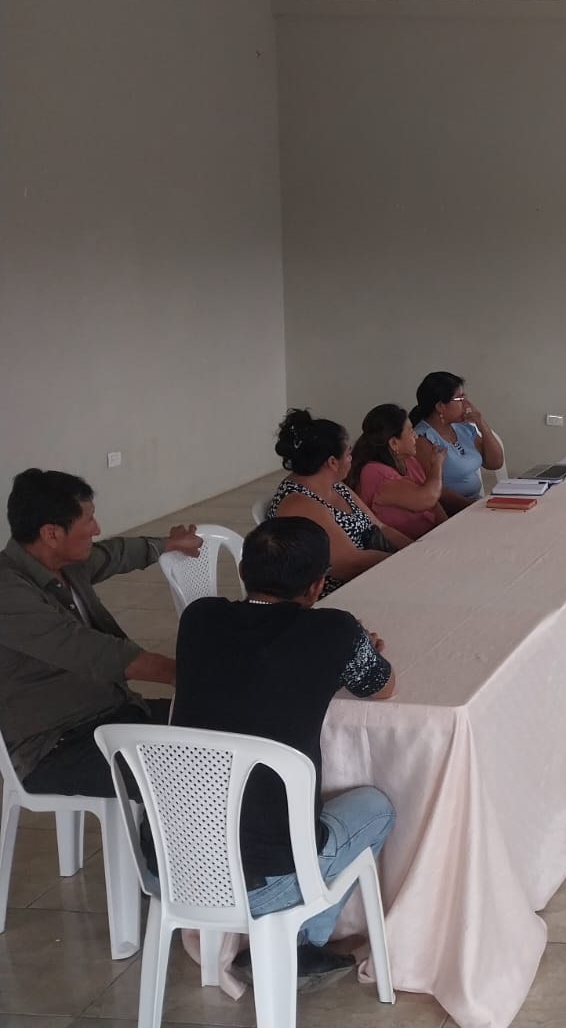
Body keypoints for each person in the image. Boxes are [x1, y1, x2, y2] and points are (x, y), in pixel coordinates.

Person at [172, 516, 396, 985]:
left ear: (243, 573)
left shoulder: (198, 618)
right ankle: (301, 947)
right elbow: (382, 686)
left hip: (172, 869)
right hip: (264, 882)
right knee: (376, 807)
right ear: (317, 586)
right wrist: (359, 649)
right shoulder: (333, 630)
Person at [0, 468, 199, 796]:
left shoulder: (63, 564)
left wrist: (167, 543)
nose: (97, 528)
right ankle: (156, 831)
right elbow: (91, 650)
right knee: (201, 772)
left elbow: (115, 553)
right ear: (51, 533)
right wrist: (182, 674)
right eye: (89, 519)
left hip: (113, 713)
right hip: (56, 745)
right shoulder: (8, 591)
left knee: (226, 728)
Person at [267, 410, 409, 596]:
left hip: (371, 577)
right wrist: (404, 563)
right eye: (348, 453)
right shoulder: (299, 503)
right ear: (332, 462)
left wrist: (416, 550)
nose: (351, 459)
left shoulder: (335, 485)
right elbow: (348, 564)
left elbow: (381, 527)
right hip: (334, 596)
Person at [349, 404, 447, 541]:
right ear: (394, 443)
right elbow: (426, 498)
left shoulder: (409, 460)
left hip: (432, 537)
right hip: (404, 547)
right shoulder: (373, 472)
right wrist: (437, 465)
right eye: (411, 431)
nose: (416, 436)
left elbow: (434, 504)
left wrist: (447, 528)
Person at [411, 371, 505, 512]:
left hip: (475, 504)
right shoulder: (422, 439)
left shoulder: (462, 428)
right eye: (460, 399)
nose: (467, 404)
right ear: (440, 406)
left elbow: (495, 463)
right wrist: (475, 507)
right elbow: (437, 491)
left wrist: (482, 424)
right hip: (451, 512)